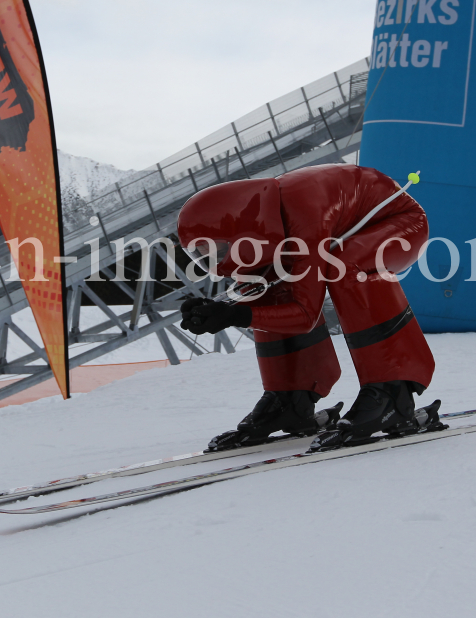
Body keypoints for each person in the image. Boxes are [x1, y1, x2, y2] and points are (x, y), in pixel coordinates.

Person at [176, 163, 435, 451]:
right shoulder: (265, 224)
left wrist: (235, 315)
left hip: (401, 221)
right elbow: (259, 290)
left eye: (217, 249)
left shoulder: (304, 215)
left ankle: (392, 391)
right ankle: (291, 397)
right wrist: (217, 310)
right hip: (341, 227)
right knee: (265, 279)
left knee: (346, 265)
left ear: (240, 229)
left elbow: (305, 314)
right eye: (200, 255)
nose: (216, 263)